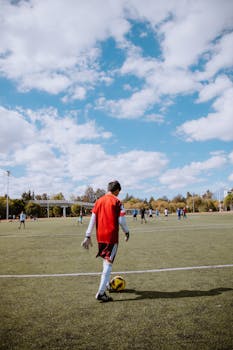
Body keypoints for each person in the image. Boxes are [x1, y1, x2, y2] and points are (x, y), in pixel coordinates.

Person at [81, 180, 130, 302]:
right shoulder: (117, 201)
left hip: (100, 236)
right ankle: (101, 293)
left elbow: (93, 218)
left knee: (105, 260)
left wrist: (87, 235)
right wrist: (127, 232)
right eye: (119, 191)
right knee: (109, 262)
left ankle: (107, 285)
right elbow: (122, 220)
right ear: (117, 190)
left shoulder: (99, 201)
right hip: (111, 236)